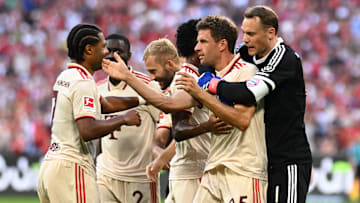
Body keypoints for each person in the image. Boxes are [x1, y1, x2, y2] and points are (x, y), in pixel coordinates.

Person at [180, 6, 313, 203]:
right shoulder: (249, 52)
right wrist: (206, 75)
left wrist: (212, 84)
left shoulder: (283, 58)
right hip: (266, 155)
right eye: (244, 33)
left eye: (251, 33)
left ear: (270, 33)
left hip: (288, 158)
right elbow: (212, 59)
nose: (245, 39)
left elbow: (248, 94)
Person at [102, 37, 231, 202]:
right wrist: (161, 158)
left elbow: (177, 129)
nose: (152, 78)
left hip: (194, 170)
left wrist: (206, 126)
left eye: (154, 71)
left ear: (169, 64)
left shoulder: (183, 80)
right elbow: (165, 135)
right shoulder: (175, 85)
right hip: (183, 168)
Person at [37, 24, 142, 203]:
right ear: (89, 50)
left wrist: (142, 99)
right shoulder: (83, 82)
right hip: (72, 167)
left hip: (51, 166)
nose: (107, 52)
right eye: (103, 46)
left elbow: (106, 105)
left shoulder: (67, 76)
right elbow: (87, 130)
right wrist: (124, 119)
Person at [172, 15, 268, 203]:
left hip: (243, 171)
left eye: (203, 41)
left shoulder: (247, 71)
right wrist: (129, 79)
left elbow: (241, 120)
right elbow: (168, 104)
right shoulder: (206, 79)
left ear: (222, 44)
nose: (196, 47)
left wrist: (200, 94)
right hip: (213, 169)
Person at [96, 33, 162, 203]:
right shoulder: (97, 88)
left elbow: (164, 124)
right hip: (106, 174)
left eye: (118, 51)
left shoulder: (148, 85)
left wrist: (160, 153)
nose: (112, 55)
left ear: (129, 56)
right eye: (108, 50)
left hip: (140, 176)